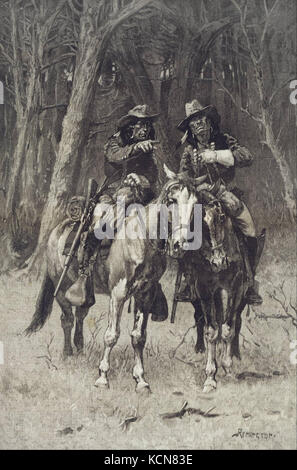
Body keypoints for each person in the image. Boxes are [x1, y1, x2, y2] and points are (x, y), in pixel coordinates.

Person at [65, 104, 162, 309]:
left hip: (142, 195)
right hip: (114, 193)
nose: (144, 129)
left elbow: (154, 174)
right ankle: (84, 274)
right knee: (103, 223)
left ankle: (155, 284)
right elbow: (114, 157)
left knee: (162, 226)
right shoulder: (115, 142)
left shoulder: (149, 147)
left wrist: (141, 179)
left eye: (146, 125)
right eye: (140, 125)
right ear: (130, 127)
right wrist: (136, 149)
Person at [176, 99, 263, 305]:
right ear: (190, 128)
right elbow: (183, 174)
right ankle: (188, 281)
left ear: (209, 122)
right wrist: (189, 181)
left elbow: (247, 156)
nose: (200, 127)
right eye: (195, 123)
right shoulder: (189, 152)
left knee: (250, 228)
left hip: (226, 193)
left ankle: (250, 282)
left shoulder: (224, 140)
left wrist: (217, 155)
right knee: (184, 231)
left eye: (202, 121)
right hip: (200, 197)